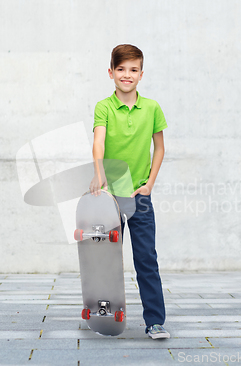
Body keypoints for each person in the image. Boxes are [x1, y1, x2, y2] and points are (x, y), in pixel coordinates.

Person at [89, 44, 170, 339]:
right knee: (106, 260)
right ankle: (105, 314)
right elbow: (98, 143)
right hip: (109, 197)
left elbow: (159, 147)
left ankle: (155, 321)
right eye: (121, 69)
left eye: (133, 69)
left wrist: (149, 183)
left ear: (141, 73)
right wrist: (100, 175)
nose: (127, 75)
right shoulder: (104, 107)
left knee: (146, 258)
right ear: (111, 72)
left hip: (139, 196)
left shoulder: (151, 107)